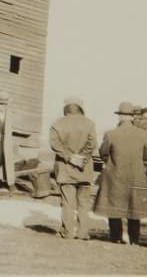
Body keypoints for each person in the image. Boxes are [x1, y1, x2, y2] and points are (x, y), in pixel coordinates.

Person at [93, 102, 147, 245]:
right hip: (136, 175)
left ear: (120, 116)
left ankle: (117, 238)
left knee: (114, 207)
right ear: (132, 116)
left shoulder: (111, 134)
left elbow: (103, 153)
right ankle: (134, 240)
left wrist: (112, 162)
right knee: (134, 208)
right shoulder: (144, 135)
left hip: (115, 175)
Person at [49, 96, 97, 240]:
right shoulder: (89, 124)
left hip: (65, 169)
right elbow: (92, 143)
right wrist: (81, 157)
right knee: (83, 203)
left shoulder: (57, 124)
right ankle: (83, 233)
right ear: (80, 108)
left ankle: (68, 232)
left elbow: (55, 145)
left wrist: (69, 157)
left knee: (67, 203)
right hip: (84, 168)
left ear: (66, 108)